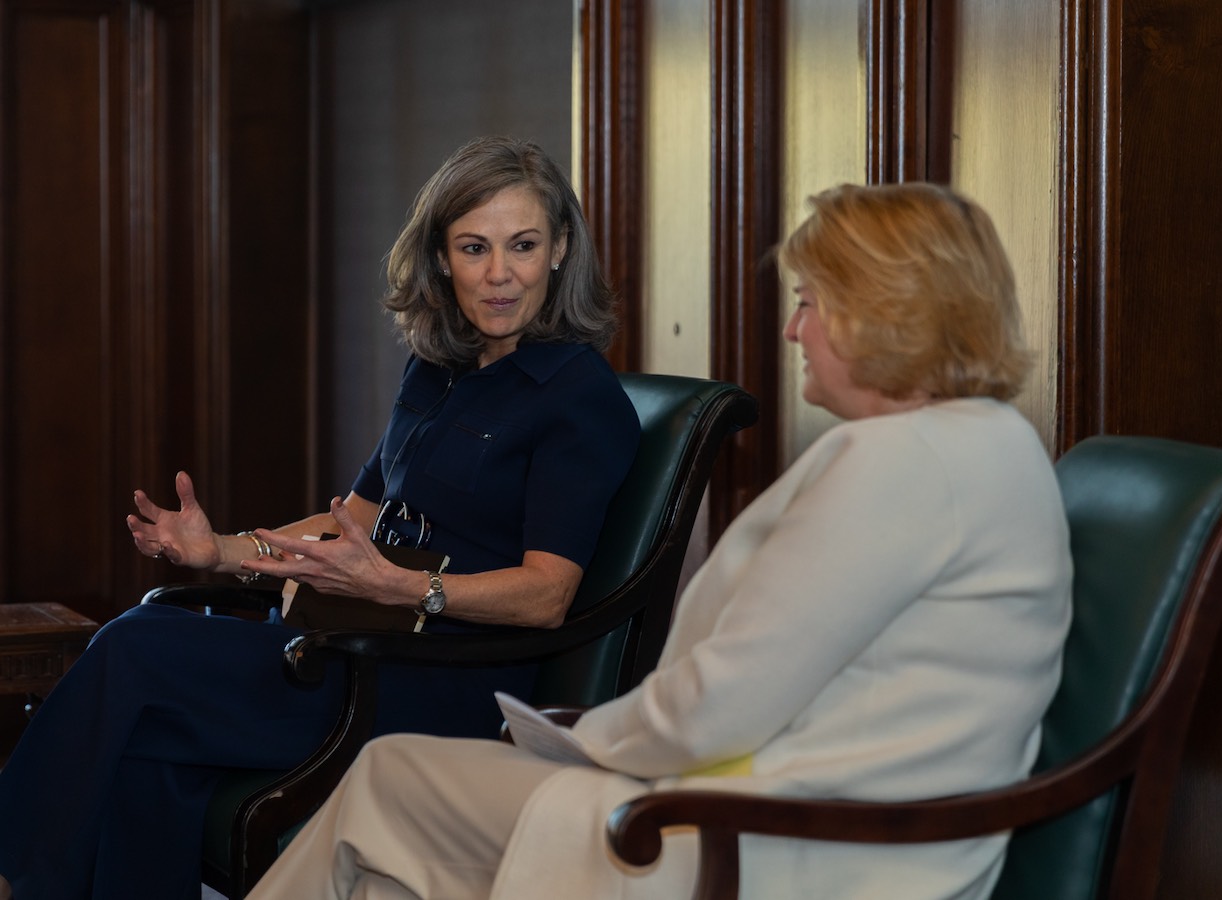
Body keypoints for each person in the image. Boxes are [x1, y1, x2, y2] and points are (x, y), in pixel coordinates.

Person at [245, 181, 1075, 900]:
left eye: (810, 301)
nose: (794, 331)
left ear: (880, 314)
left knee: (390, 784)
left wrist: (580, 743)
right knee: (398, 854)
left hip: (780, 839)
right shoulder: (989, 442)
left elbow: (727, 697)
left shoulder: (902, 463)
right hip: (820, 814)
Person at [0, 136, 641, 900]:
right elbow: (352, 520)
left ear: (560, 250)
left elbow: (548, 594)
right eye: (475, 248)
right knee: (149, 751)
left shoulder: (580, 397)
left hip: (442, 678)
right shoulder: (436, 368)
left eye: (523, 246)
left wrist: (405, 592)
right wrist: (223, 552)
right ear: (441, 258)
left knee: (134, 645)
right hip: (344, 643)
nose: (500, 274)